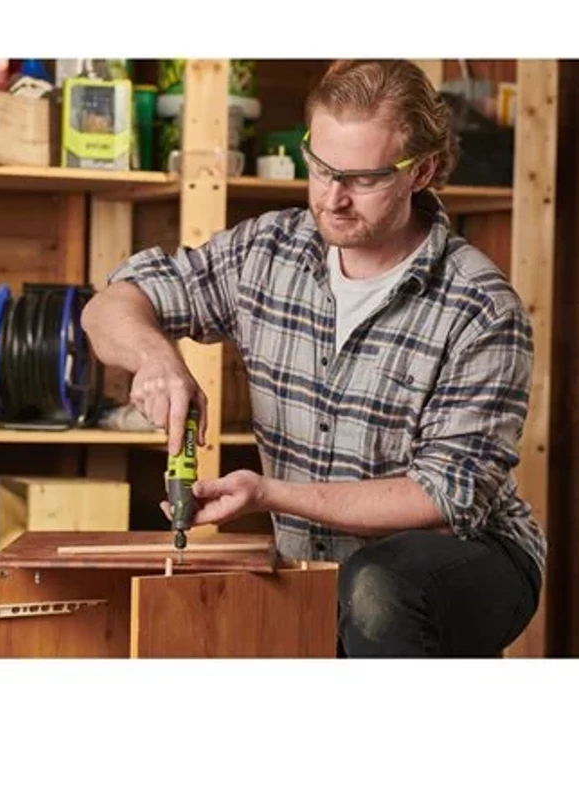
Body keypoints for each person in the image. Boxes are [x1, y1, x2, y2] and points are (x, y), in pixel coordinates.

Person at [81, 59, 545, 658]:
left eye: (362, 179)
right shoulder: (266, 252)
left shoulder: (480, 308)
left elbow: (441, 498)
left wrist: (268, 494)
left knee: (379, 589)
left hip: (472, 558)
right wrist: (156, 359)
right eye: (321, 168)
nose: (332, 198)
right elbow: (112, 304)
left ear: (422, 171)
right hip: (318, 565)